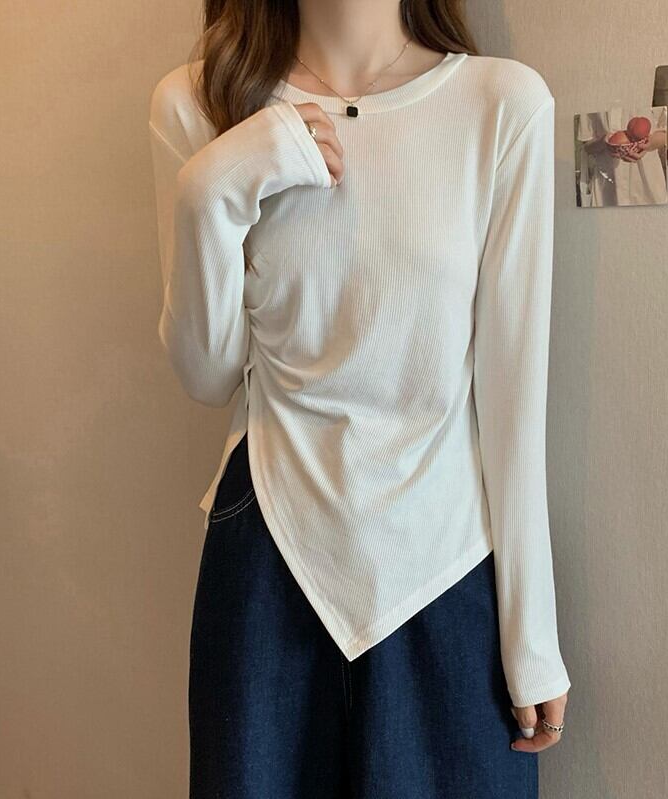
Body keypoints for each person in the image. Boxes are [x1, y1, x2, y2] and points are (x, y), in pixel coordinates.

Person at [147, 1, 571, 796]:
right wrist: (212, 191)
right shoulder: (198, 103)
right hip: (267, 548)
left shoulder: (500, 103)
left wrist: (532, 634)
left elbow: (513, 396)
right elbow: (207, 375)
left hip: (445, 564)